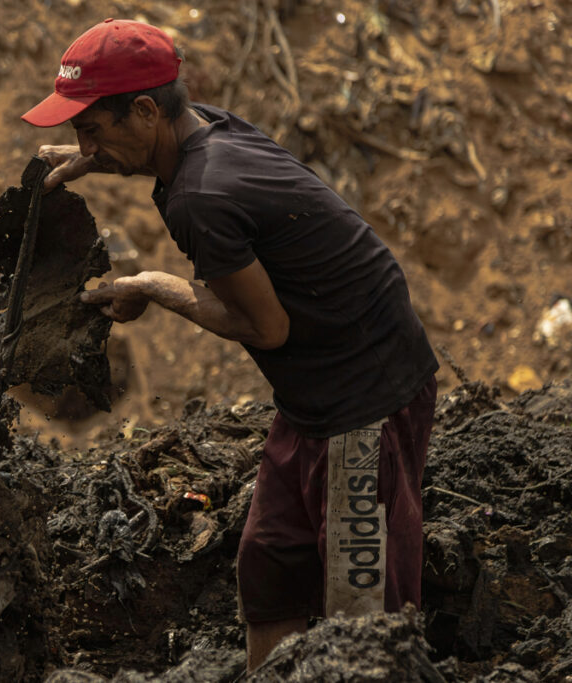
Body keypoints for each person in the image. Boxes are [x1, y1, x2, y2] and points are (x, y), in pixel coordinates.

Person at [21, 18, 439, 671]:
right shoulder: (206, 130)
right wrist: (92, 158)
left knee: (366, 624)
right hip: (312, 394)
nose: (83, 144)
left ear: (143, 110)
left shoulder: (202, 196)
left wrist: (157, 285)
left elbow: (267, 327)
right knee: (268, 567)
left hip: (366, 399)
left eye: (91, 129)